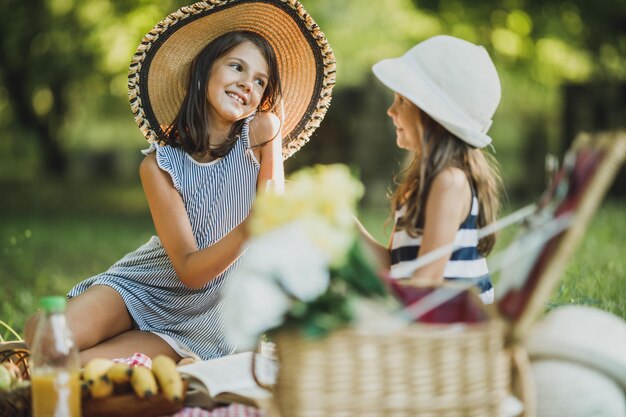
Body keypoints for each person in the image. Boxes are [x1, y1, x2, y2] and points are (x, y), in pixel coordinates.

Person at [24, 0, 335, 363]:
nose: (246, 84)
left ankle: (155, 352)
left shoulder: (262, 132)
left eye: (259, 80)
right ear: (204, 71)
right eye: (237, 67)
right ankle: (117, 332)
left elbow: (273, 209)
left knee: (74, 367)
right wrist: (253, 225)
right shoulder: (159, 165)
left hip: (205, 319)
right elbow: (188, 267)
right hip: (145, 286)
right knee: (46, 336)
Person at [358, 35, 503, 304]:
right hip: (428, 324)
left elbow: (425, 284)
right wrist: (344, 225)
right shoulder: (422, 184)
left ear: (433, 115)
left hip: (454, 334)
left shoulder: (450, 182)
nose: (391, 111)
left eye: (402, 100)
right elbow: (395, 266)